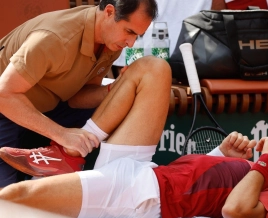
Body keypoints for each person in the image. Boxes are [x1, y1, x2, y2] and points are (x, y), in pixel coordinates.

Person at [0, 104, 268, 218]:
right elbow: (203, 178)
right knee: (151, 69)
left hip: (142, 193)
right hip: (148, 172)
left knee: (18, 196)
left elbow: (234, 210)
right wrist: (221, 156)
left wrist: (263, 161)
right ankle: (66, 155)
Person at [0, 0, 170, 186]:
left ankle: (75, 164)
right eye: (129, 31)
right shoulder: (55, 37)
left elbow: (78, 97)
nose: (131, 43)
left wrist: (118, 90)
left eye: (138, 36)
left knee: (117, 106)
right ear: (109, 12)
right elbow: (4, 95)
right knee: (7, 202)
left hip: (48, 108)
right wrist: (61, 134)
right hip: (7, 110)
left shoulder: (109, 40)